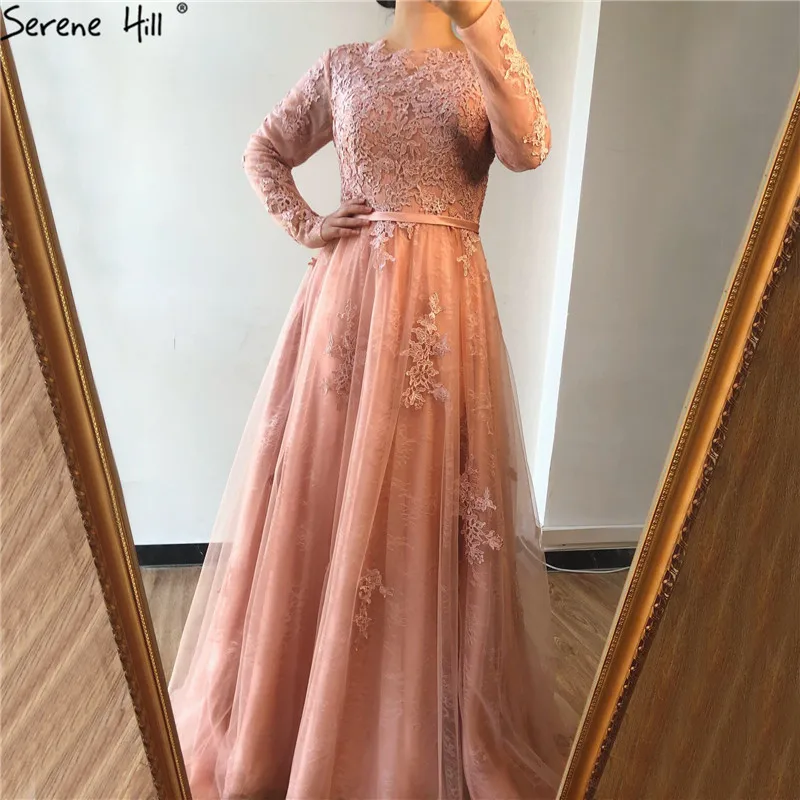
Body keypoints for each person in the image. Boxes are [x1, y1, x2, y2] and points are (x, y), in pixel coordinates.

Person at [168, 0, 567, 797]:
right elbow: (264, 151)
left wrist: (482, 18)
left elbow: (529, 149)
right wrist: (306, 223)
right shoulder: (343, 65)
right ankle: (295, 723)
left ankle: (420, 725)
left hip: (443, 314)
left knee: (429, 495)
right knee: (326, 489)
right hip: (347, 308)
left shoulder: (482, 59)